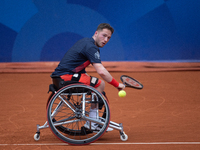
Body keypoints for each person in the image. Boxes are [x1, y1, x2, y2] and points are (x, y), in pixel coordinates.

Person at [51, 23, 125, 131]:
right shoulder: (91, 47)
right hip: (66, 78)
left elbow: (78, 67)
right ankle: (92, 123)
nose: (106, 40)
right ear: (96, 33)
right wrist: (117, 85)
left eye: (108, 38)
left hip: (60, 77)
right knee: (100, 84)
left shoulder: (86, 42)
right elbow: (102, 71)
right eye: (103, 35)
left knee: (93, 82)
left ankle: (93, 118)